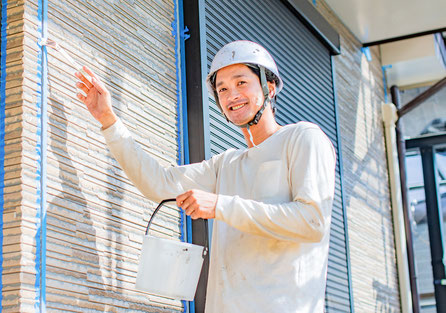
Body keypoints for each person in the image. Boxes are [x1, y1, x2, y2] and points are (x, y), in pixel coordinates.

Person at [75, 40, 336, 313]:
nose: (231, 94)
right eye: (222, 89)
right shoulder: (226, 164)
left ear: (269, 87)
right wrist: (108, 119)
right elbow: (158, 183)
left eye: (241, 83)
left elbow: (313, 221)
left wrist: (220, 205)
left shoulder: (303, 138)